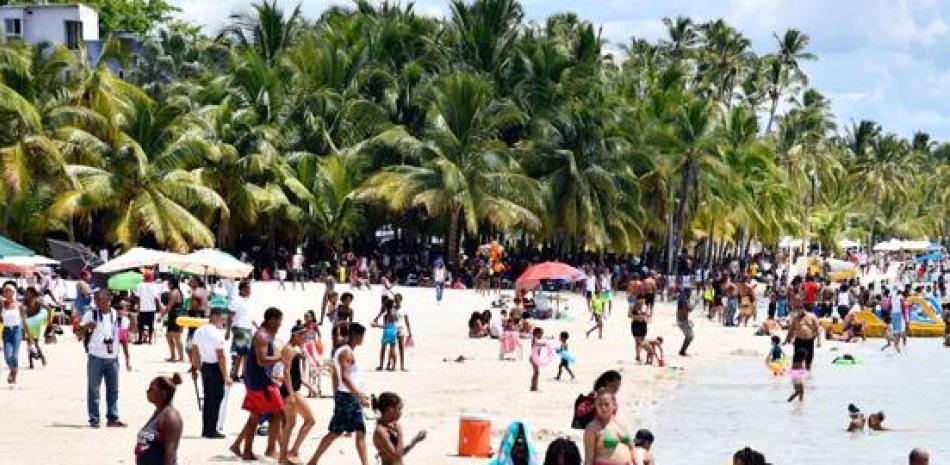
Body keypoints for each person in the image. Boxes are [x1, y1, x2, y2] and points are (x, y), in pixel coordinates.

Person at [307, 323, 371, 465]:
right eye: (362, 336)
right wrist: (359, 395)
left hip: (349, 396)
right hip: (348, 397)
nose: (362, 339)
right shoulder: (346, 352)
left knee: (360, 430)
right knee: (336, 431)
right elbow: (345, 378)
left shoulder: (343, 350)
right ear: (356, 335)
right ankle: (313, 461)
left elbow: (337, 376)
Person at [230, 307, 286, 461]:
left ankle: (246, 450)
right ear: (272, 320)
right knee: (279, 413)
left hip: (255, 379)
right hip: (260, 382)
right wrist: (281, 357)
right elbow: (262, 361)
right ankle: (270, 449)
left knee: (255, 416)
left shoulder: (264, 334)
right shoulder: (263, 336)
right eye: (279, 321)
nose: (280, 325)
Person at [81, 288, 129, 427]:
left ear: (108, 300)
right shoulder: (91, 314)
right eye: (95, 299)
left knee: (113, 390)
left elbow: (124, 335)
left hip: (113, 357)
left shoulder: (117, 315)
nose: (96, 302)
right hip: (96, 356)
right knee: (93, 389)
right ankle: (94, 419)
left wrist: (127, 357)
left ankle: (112, 418)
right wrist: (86, 327)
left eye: (99, 299)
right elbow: (78, 332)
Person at [190, 307, 231, 438]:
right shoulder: (217, 333)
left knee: (208, 399)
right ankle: (212, 429)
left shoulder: (199, 331)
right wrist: (226, 376)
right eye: (221, 318)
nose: (222, 321)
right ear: (215, 317)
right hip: (215, 368)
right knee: (216, 399)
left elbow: (195, 351)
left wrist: (195, 367)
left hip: (205, 367)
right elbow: (221, 357)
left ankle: (206, 429)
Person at [281, 322, 319, 463]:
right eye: (304, 336)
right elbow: (286, 372)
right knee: (310, 421)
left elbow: (294, 374)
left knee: (290, 425)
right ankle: (294, 451)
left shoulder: (292, 348)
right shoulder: (290, 350)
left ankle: (283, 457)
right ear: (296, 335)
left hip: (291, 390)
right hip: (291, 392)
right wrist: (291, 394)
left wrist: (309, 386)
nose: (306, 338)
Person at [135, 374, 183, 465]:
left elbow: (170, 453)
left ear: (163, 393)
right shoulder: (158, 413)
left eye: (151, 389)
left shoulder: (170, 417)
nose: (147, 391)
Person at [372, 392, 427, 465]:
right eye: (399, 409)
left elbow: (399, 453)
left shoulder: (388, 428)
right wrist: (400, 433)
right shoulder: (380, 431)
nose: (401, 413)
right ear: (390, 409)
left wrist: (415, 441)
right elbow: (396, 457)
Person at [583, 391, 636, 465]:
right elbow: (589, 459)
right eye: (600, 405)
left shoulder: (621, 422)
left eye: (606, 404)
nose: (603, 408)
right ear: (596, 406)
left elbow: (632, 447)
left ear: (614, 405)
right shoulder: (592, 428)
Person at [228, 280, 256, 381]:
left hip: (247, 328)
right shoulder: (236, 300)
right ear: (242, 289)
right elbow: (230, 316)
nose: (250, 291)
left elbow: (248, 316)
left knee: (246, 354)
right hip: (240, 328)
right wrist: (227, 331)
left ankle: (244, 374)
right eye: (248, 288)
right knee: (240, 353)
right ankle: (235, 374)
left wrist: (256, 325)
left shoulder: (246, 301)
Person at [2, 283, 30, 384]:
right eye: (4, 291)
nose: (6, 293)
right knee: (7, 356)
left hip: (17, 331)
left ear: (13, 292)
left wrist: (28, 335)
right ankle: (13, 370)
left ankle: (13, 374)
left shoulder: (19, 306)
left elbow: (24, 321)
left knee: (14, 355)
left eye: (8, 291)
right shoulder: (2, 305)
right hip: (6, 332)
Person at [784, 306, 820, 371]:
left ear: (803, 309)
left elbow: (817, 328)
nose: (798, 313)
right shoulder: (795, 318)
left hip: (809, 340)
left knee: (809, 359)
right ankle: (795, 373)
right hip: (799, 340)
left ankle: (808, 374)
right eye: (797, 311)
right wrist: (786, 340)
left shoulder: (812, 316)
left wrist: (819, 341)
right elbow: (791, 330)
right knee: (796, 359)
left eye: (799, 311)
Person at [162, 274, 185, 363]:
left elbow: (169, 306)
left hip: (175, 316)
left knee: (176, 337)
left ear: (171, 283)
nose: (167, 284)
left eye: (168, 283)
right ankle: (174, 356)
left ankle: (180, 357)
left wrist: (162, 315)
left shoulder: (174, 292)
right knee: (170, 336)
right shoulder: (177, 291)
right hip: (175, 315)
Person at [373, 297, 398, 371]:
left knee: (383, 349)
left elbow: (385, 326)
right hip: (393, 330)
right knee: (392, 349)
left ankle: (381, 365)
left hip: (387, 331)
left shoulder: (386, 316)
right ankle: (393, 366)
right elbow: (396, 321)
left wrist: (376, 325)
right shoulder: (394, 314)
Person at [135, 270, 160, 344]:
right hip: (152, 308)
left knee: (140, 325)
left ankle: (140, 340)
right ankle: (150, 340)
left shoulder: (139, 285)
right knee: (150, 325)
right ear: (151, 277)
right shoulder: (154, 285)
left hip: (142, 308)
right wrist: (158, 308)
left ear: (144, 277)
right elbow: (156, 298)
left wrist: (138, 308)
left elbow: (138, 298)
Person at [628, 294, 649, 363]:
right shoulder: (632, 306)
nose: (643, 301)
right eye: (641, 299)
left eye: (644, 300)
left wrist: (644, 316)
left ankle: (638, 355)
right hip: (635, 324)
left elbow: (647, 315)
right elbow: (629, 315)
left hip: (643, 324)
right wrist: (638, 317)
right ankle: (638, 355)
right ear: (637, 300)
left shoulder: (645, 306)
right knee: (637, 341)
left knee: (641, 341)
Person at [676, 287, 694, 356]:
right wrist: (695, 303)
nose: (691, 294)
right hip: (683, 321)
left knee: (689, 336)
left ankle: (682, 351)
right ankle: (682, 351)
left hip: (682, 320)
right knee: (690, 336)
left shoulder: (682, 298)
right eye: (690, 293)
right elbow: (689, 309)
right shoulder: (684, 300)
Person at [529, 327, 543, 392]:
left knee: (536, 373)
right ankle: (534, 387)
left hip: (535, 358)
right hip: (534, 358)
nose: (541, 335)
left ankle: (534, 386)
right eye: (540, 334)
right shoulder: (535, 339)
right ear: (536, 334)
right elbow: (537, 344)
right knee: (536, 373)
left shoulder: (536, 339)